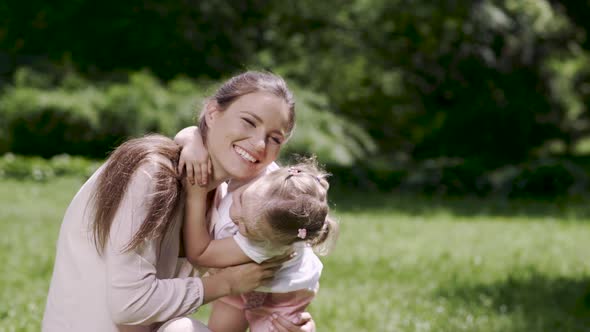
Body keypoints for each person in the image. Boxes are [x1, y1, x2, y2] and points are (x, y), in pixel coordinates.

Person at [42, 71, 316, 332]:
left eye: (274, 138)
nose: (259, 144)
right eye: (248, 121)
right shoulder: (147, 175)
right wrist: (227, 283)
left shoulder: (229, 203)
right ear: (212, 113)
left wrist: (289, 320)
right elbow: (128, 305)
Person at [182, 157, 338, 331]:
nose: (235, 215)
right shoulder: (265, 175)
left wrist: (195, 196)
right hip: (242, 285)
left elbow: (201, 254)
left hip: (283, 296)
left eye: (244, 227)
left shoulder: (265, 245)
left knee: (278, 328)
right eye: (241, 200)